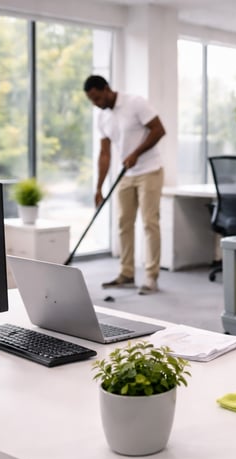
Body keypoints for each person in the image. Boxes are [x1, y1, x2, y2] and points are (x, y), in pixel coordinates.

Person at [83, 75, 166, 295]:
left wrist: (136, 153)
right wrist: (99, 187)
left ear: (106, 89)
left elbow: (159, 130)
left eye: (97, 97)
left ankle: (151, 277)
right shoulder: (102, 117)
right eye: (91, 100)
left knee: (149, 223)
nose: (96, 103)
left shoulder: (135, 103)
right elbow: (104, 154)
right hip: (126, 175)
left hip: (150, 170)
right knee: (123, 223)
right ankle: (127, 273)